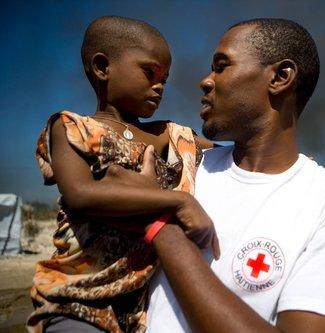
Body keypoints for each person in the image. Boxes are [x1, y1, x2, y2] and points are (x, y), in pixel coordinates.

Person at [106, 18, 325, 332]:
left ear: (280, 77)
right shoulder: (183, 167)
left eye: (222, 66)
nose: (205, 81)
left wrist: (162, 227)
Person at [28, 16, 219, 333]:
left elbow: (233, 151)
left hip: (137, 307)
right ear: (103, 67)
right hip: (75, 297)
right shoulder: (72, 128)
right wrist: (178, 202)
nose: (159, 86)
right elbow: (81, 194)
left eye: (165, 80)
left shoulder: (170, 135)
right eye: (150, 72)